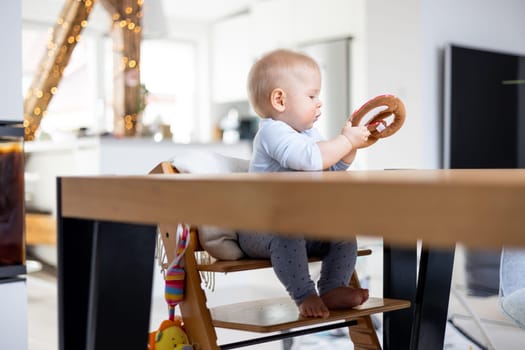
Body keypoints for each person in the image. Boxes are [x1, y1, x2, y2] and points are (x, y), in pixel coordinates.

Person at [237, 48, 371, 318]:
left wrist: (349, 148)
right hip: (260, 228)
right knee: (287, 230)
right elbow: (309, 159)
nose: (319, 102)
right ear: (279, 100)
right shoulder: (272, 132)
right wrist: (344, 141)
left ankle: (333, 287)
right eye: (311, 96)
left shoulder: (309, 133)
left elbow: (329, 168)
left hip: (302, 225)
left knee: (343, 234)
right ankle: (304, 294)